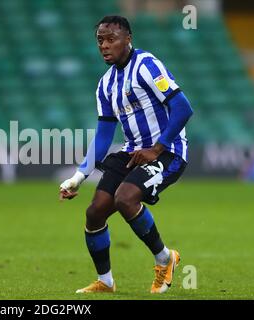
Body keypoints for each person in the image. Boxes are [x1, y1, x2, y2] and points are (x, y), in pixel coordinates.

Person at [59, 15, 193, 294]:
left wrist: (157, 147)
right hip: (132, 152)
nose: (105, 46)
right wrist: (78, 176)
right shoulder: (105, 84)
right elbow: (105, 133)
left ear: (128, 39)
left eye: (111, 39)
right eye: (100, 41)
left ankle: (165, 259)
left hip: (168, 151)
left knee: (125, 197)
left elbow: (183, 108)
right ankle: (106, 282)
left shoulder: (147, 65)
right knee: (95, 212)